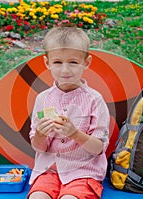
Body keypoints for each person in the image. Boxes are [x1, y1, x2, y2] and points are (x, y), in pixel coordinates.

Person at [28, 26, 110, 199]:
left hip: (83, 172)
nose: (65, 70)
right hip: (48, 171)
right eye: (57, 62)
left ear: (86, 62)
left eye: (73, 62)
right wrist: (41, 135)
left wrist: (75, 134)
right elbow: (38, 146)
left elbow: (98, 148)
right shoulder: (42, 100)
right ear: (47, 63)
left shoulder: (94, 100)